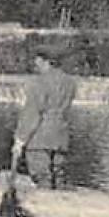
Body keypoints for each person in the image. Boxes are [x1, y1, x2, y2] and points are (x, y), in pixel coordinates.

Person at [13, 54, 77, 188]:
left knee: (42, 178)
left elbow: (32, 113)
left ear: (45, 61)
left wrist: (20, 140)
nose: (35, 63)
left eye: (37, 60)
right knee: (58, 178)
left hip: (40, 139)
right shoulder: (69, 82)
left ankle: (42, 206)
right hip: (61, 138)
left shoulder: (39, 82)